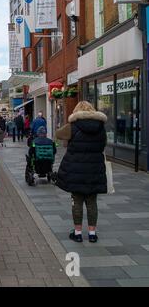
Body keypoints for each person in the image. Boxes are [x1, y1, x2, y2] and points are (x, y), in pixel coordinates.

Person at [55, 101, 108, 243]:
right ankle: (92, 234)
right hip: (95, 169)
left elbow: (58, 134)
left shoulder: (73, 126)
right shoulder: (101, 127)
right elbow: (104, 144)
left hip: (76, 169)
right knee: (92, 202)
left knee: (77, 201)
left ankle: (77, 233)